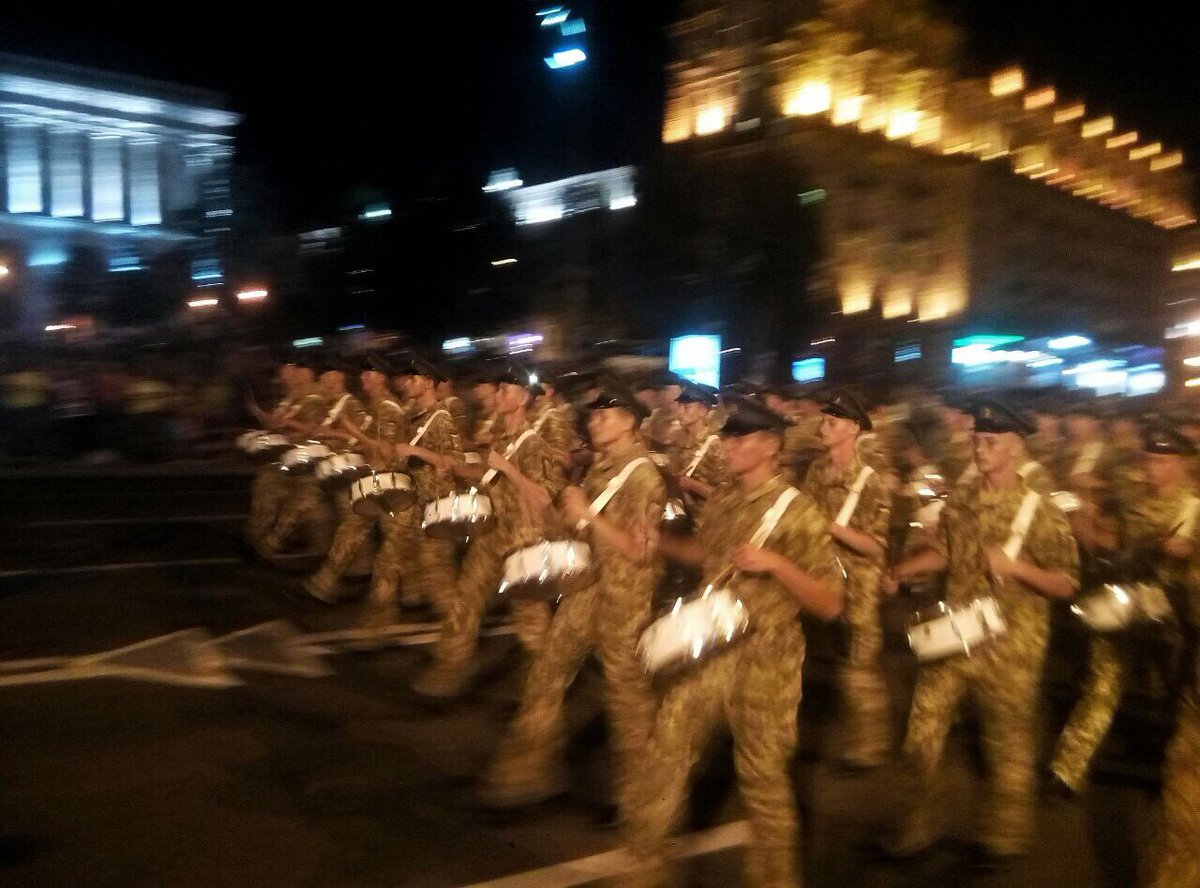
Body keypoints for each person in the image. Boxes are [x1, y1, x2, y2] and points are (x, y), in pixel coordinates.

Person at [625, 396, 844, 888]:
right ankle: (644, 872)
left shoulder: (799, 513)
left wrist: (778, 566)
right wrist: (660, 542)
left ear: (770, 447)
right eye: (727, 436)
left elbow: (831, 603)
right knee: (665, 753)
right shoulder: (724, 498)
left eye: (741, 438)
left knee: (763, 782)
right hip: (710, 649)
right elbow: (708, 555)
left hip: (767, 665)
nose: (729, 445)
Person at [883, 399, 1079, 863]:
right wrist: (905, 570)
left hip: (1012, 643)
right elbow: (949, 552)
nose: (979, 449)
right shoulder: (962, 501)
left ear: (1014, 448)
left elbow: (1066, 581)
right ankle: (915, 827)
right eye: (976, 440)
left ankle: (1004, 837)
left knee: (1006, 743)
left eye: (990, 442)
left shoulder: (1040, 510)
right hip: (958, 632)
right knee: (922, 732)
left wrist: (1016, 567)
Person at [479, 378, 665, 818]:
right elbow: (579, 525)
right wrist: (554, 518)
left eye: (604, 416)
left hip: (625, 598)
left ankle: (642, 789)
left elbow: (640, 551)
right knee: (547, 669)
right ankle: (530, 766)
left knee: (628, 698)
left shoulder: (644, 477)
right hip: (587, 588)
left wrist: (587, 515)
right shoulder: (601, 469)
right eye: (593, 415)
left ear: (629, 422)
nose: (593, 422)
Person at [1050, 421, 1198, 795]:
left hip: (1176, 619)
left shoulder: (1193, 506)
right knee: (1102, 682)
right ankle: (1067, 768)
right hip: (1130, 604)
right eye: (1149, 460)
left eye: (1162, 462)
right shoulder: (1136, 501)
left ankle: (1179, 774)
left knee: (1181, 698)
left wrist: (1181, 551)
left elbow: (1186, 552)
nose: (1152, 469)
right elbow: (1112, 541)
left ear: (1182, 464)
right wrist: (1083, 518)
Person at [412, 364, 566, 698]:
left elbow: (541, 497)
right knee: (466, 600)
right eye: (498, 389)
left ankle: (547, 684)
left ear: (524, 397)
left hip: (521, 540)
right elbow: (486, 474)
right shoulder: (503, 437)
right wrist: (454, 468)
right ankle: (450, 665)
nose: (499, 395)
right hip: (492, 533)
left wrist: (508, 468)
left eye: (507, 390)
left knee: (531, 621)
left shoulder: (534, 444)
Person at [804, 389, 893, 770]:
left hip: (858, 582)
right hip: (821, 575)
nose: (824, 428)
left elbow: (876, 546)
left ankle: (870, 746)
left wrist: (833, 529)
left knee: (858, 664)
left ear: (853, 429)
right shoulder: (817, 471)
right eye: (824, 421)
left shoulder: (871, 481)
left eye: (832, 422)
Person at [302, 354, 409, 609]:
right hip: (375, 483)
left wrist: (354, 432)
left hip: (388, 486)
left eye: (369, 373)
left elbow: (388, 452)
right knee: (353, 530)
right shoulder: (375, 407)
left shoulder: (387, 408)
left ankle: (397, 603)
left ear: (382, 378)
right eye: (363, 373)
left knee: (395, 549)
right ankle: (325, 583)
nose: (363, 378)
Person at [668, 381, 728, 527]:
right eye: (680, 406)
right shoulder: (678, 440)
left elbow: (728, 497)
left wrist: (694, 486)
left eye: (686, 407)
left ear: (702, 411)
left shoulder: (716, 445)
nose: (680, 412)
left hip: (706, 524)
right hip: (681, 521)